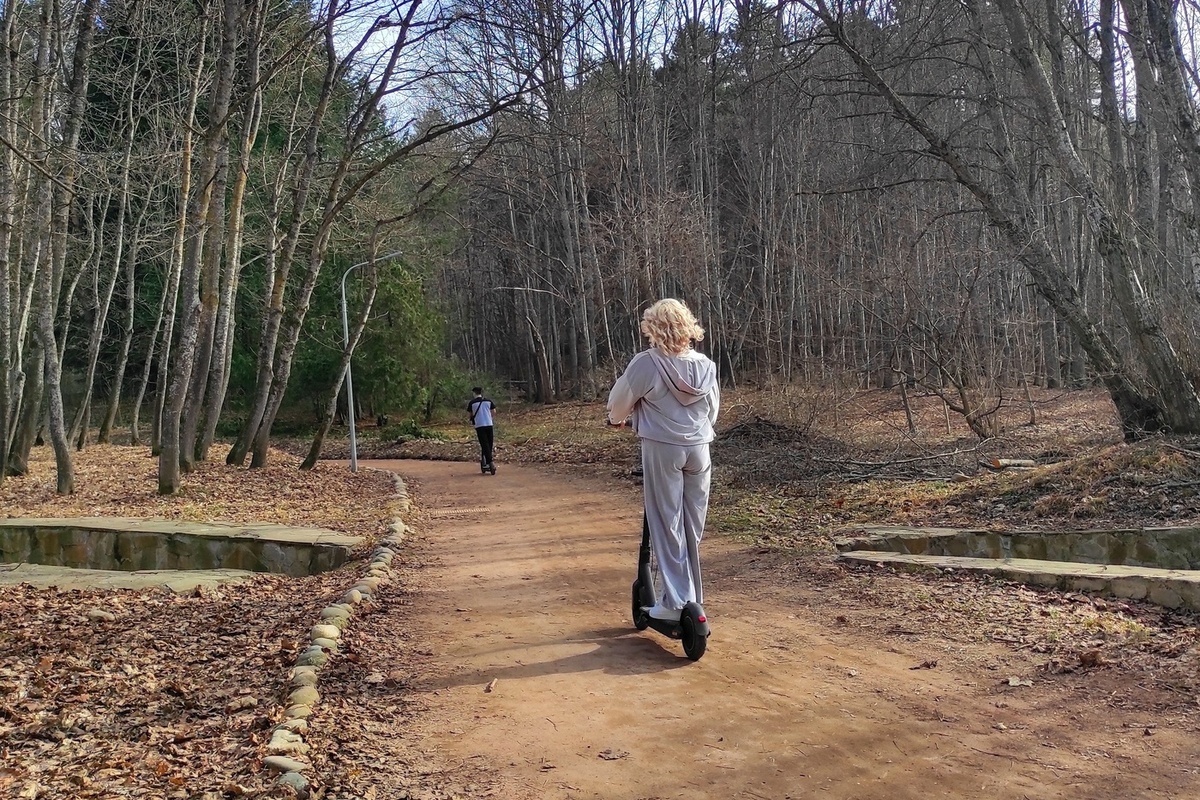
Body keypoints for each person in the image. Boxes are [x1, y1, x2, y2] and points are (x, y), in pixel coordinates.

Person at [607, 299, 720, 623]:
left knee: (667, 524)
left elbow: (618, 403)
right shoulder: (705, 365)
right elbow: (711, 411)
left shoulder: (647, 364)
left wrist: (616, 419)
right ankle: (692, 598)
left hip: (663, 448)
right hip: (700, 449)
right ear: (688, 325)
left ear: (652, 327)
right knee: (691, 526)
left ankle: (673, 604)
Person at [467, 387, 497, 472]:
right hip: (489, 424)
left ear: (474, 393)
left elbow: (470, 415)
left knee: (484, 444)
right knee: (489, 443)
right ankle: (486, 462)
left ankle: (489, 462)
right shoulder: (488, 401)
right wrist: (489, 417)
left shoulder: (472, 403)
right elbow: (494, 411)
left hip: (479, 425)